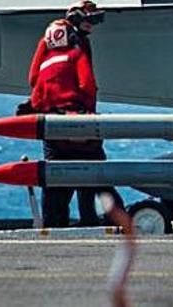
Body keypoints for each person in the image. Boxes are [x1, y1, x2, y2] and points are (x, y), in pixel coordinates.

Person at [28, 11, 122, 227]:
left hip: (53, 127)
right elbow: (88, 85)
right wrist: (86, 114)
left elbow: (35, 93)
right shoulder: (76, 54)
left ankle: (54, 223)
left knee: (55, 180)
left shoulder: (45, 62)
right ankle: (112, 218)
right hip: (81, 123)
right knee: (97, 175)